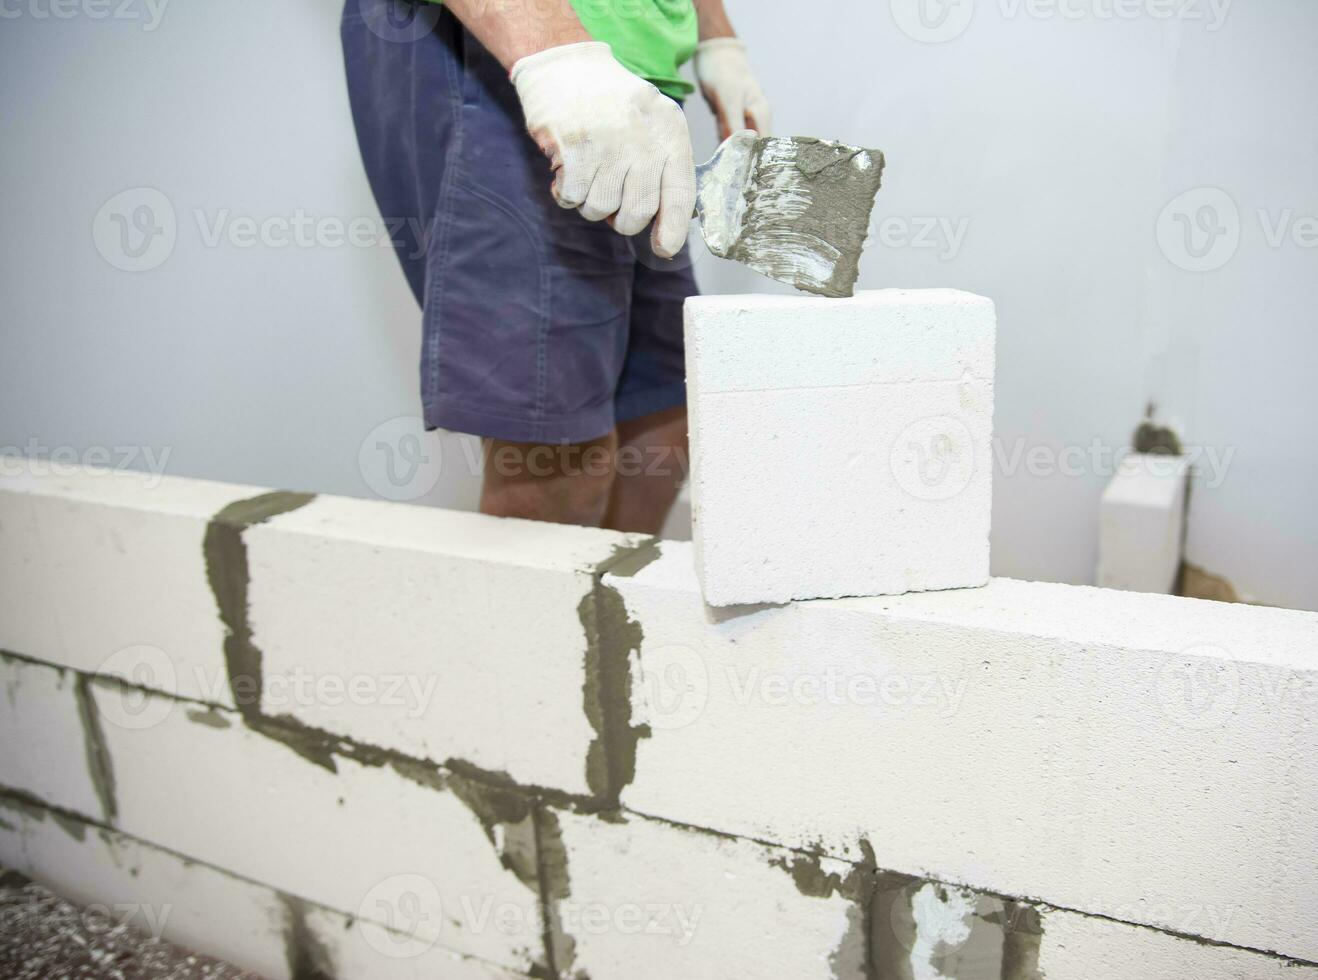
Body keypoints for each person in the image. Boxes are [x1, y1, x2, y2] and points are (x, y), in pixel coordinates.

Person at [342, 0, 770, 532]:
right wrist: (552, 52)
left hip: (634, 76)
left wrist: (715, 35)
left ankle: (600, 612)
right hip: (515, 56)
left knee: (661, 416)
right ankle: (525, 616)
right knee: (559, 453)